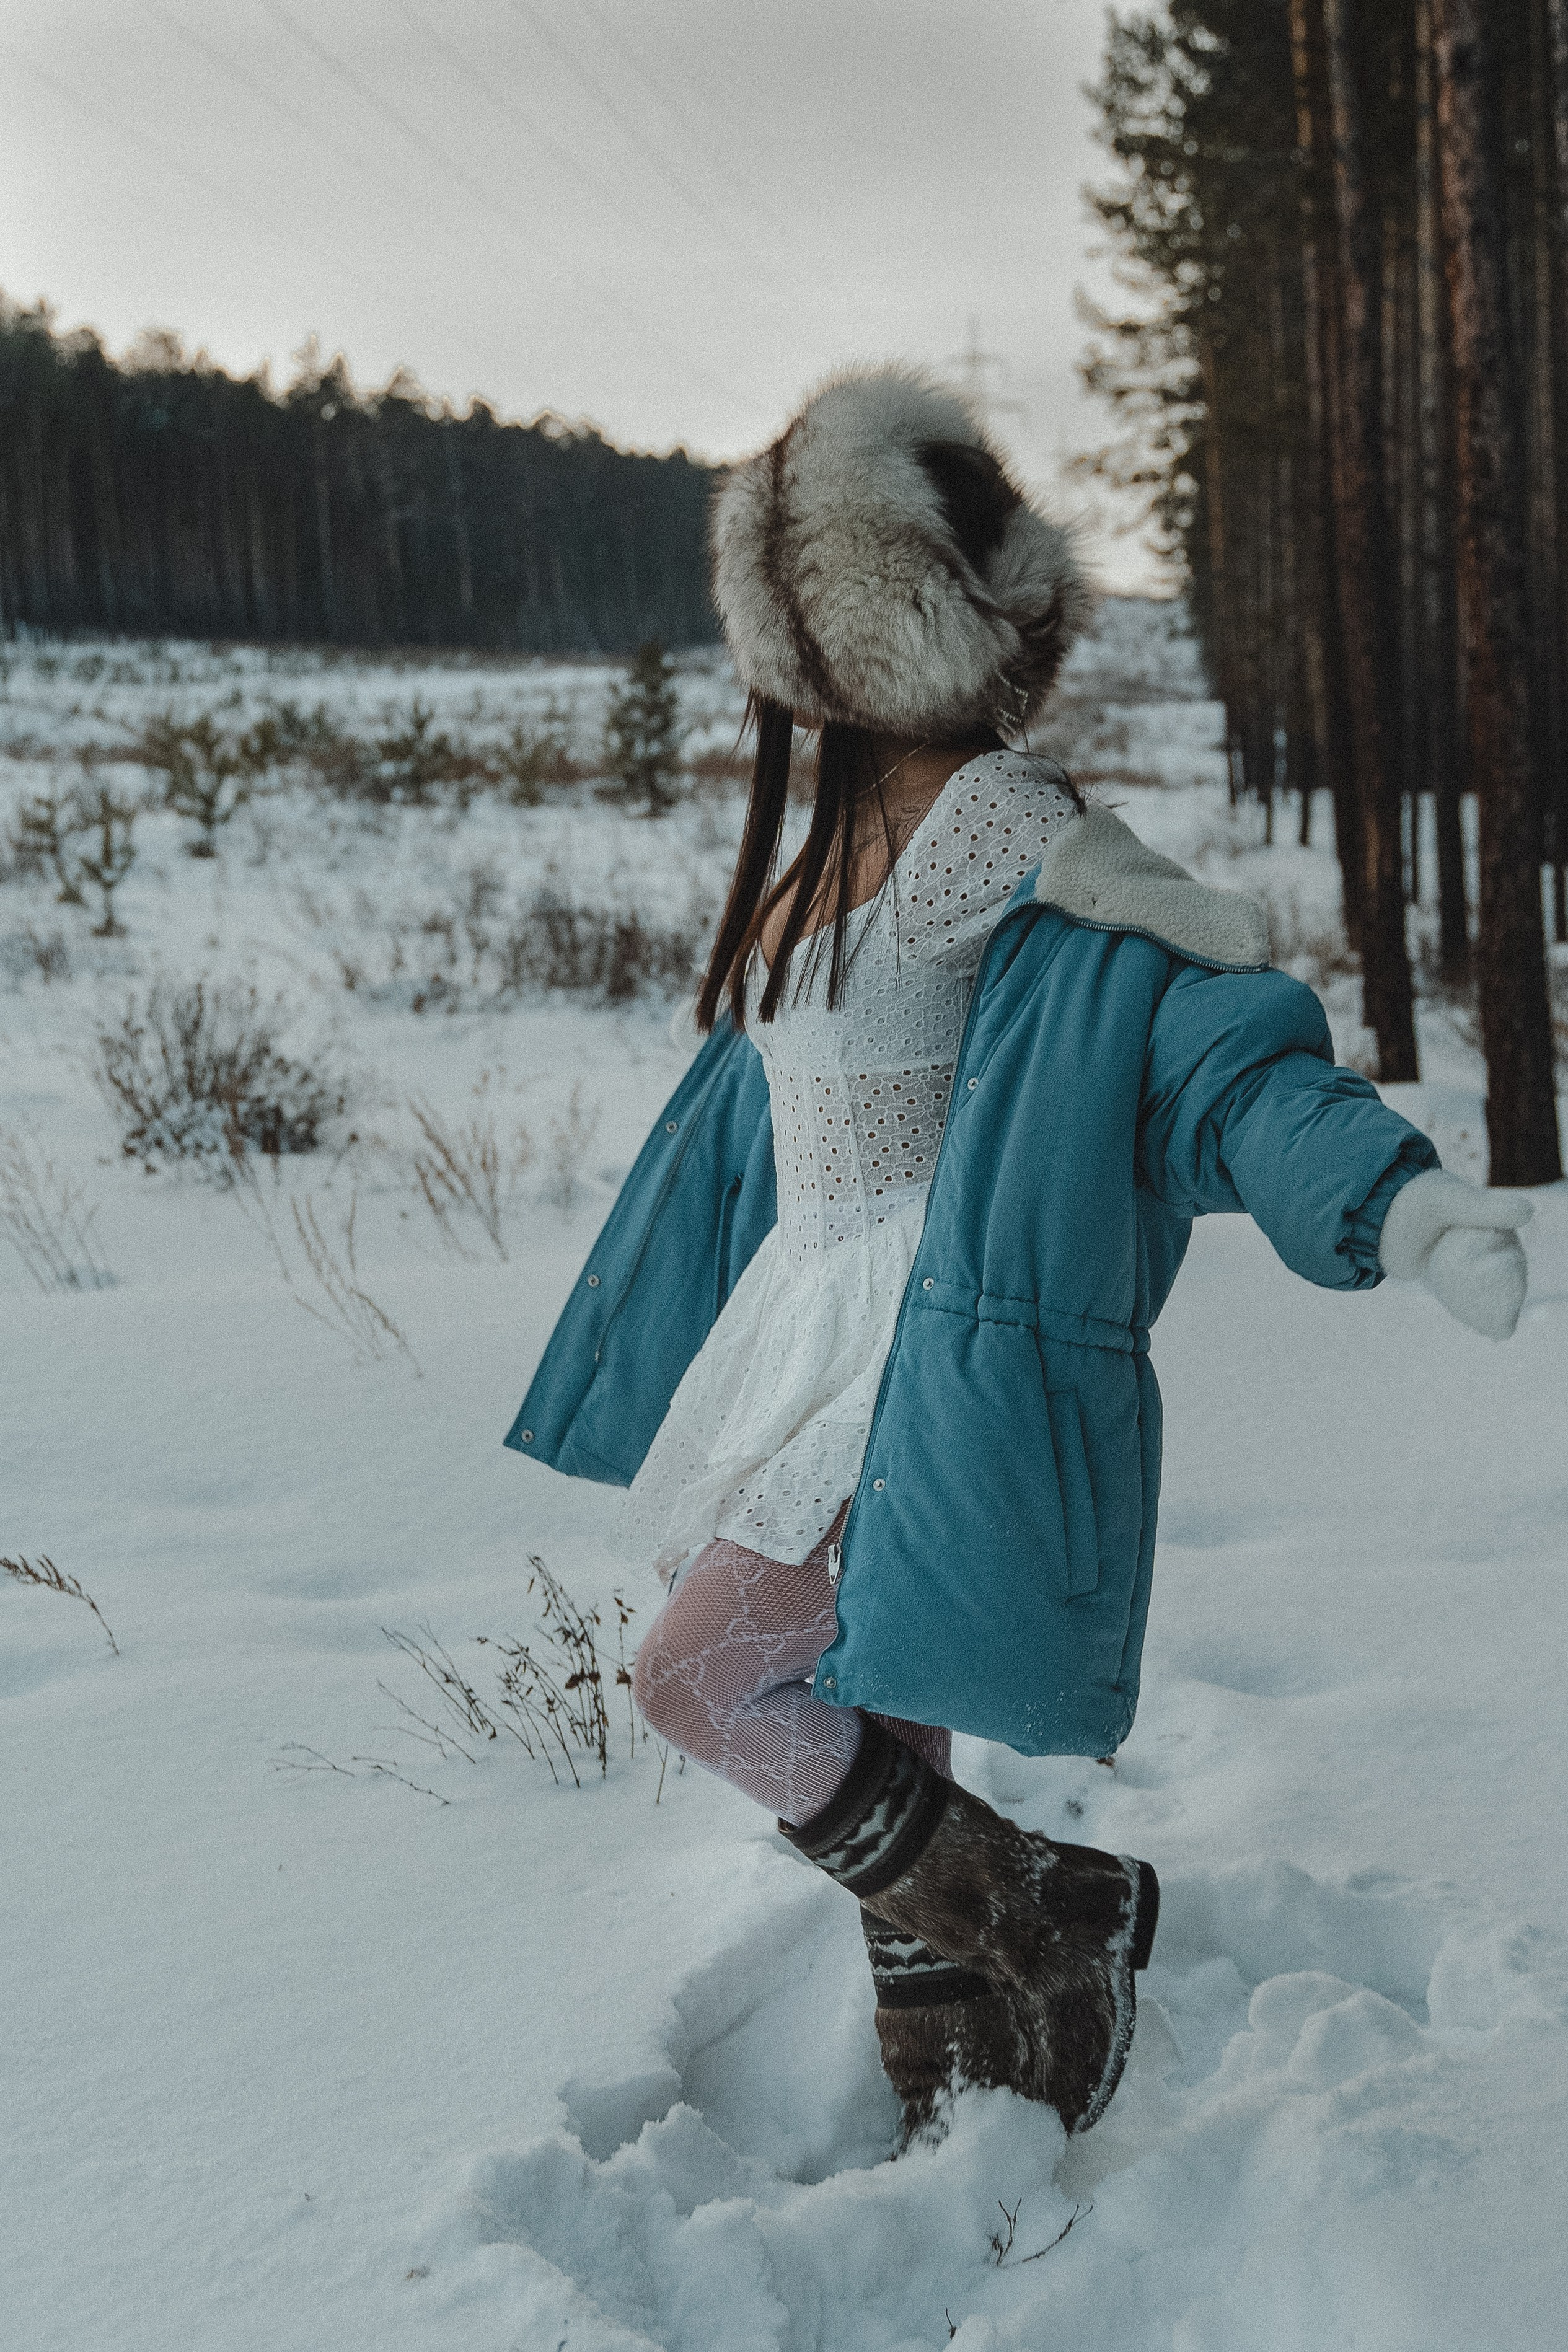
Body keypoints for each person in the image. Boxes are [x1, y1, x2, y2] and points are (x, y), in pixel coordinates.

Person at [506, 365, 1533, 2144]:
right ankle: (966, 2075)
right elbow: (746, 1133)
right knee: (881, 1716)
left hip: (925, 1329)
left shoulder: (989, 813)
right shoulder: (814, 845)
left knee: (696, 1674)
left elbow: (1201, 1008)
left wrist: (1384, 1190)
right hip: (805, 1321)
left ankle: (1052, 1910)